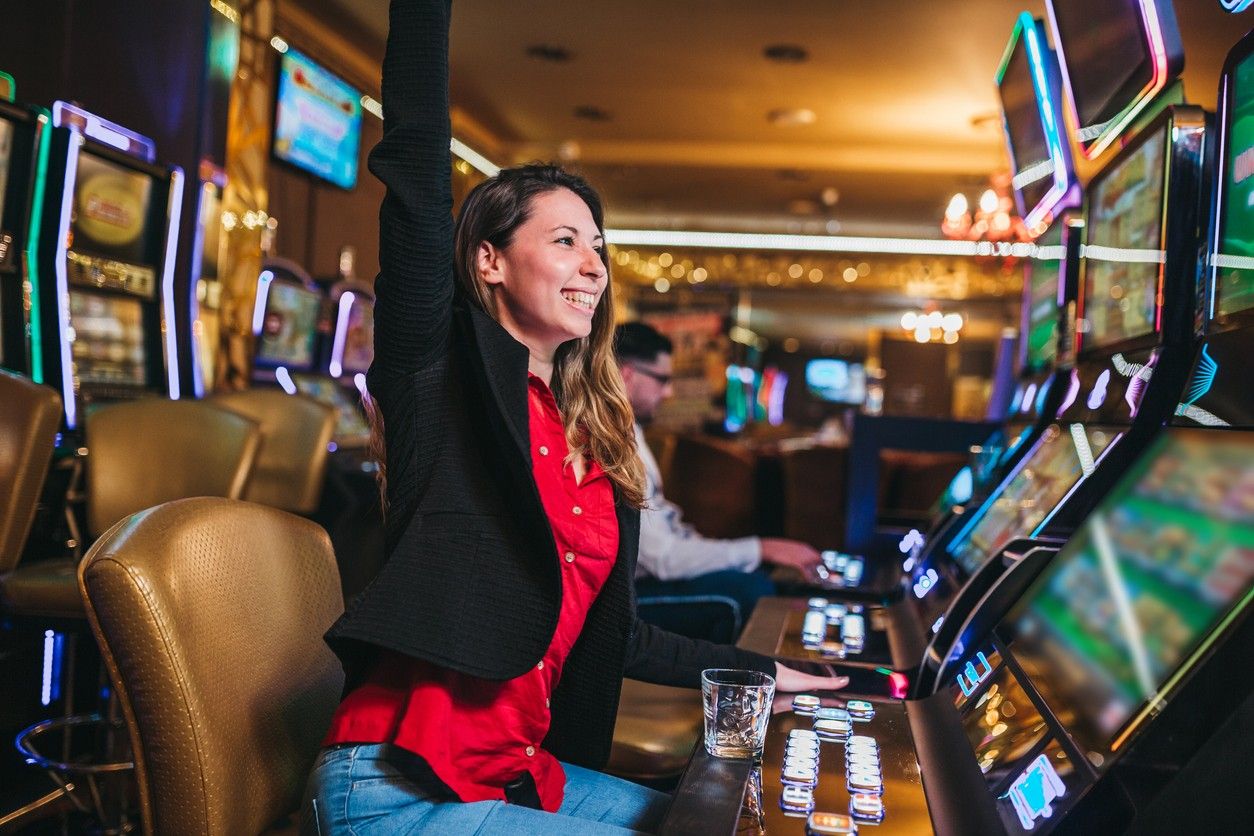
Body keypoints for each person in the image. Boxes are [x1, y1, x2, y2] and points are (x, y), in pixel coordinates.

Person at [300, 2, 846, 834]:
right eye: (564, 240)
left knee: (741, 824)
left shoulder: (589, 436)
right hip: (398, 789)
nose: (592, 263)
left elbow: (618, 639)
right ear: (488, 260)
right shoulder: (441, 386)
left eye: (597, 245)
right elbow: (414, 171)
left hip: (517, 776)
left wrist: (765, 669)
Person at [615, 322, 824, 640]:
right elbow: (663, 559)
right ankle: (749, 686)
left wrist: (756, 552)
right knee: (750, 590)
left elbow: (668, 536)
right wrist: (759, 548)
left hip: (649, 575)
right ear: (626, 375)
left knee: (760, 578)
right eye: (662, 380)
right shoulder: (611, 440)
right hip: (626, 595)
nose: (669, 393)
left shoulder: (632, 431)